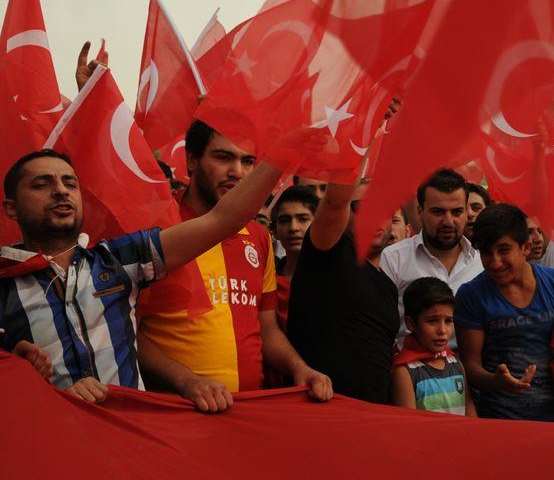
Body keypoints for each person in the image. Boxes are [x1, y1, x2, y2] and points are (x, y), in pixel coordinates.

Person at [0, 147, 285, 403]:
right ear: (11, 208)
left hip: (132, 444)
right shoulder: (4, 285)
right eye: (42, 184)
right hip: (53, 447)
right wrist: (18, 370)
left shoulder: (116, 260)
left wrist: (285, 149)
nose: (61, 191)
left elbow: (223, 221)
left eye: (70, 183)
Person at [138, 122, 332, 412]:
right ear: (191, 160)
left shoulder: (258, 237)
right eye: (223, 157)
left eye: (248, 161)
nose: (237, 172)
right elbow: (128, 330)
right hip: (177, 414)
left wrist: (299, 367)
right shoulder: (155, 228)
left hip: (248, 413)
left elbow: (266, 328)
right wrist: (187, 382)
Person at [455, 204, 554, 424]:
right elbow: (470, 366)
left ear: (526, 247)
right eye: (486, 253)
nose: (495, 262)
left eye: (503, 250)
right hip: (500, 422)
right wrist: (495, 381)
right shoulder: (471, 295)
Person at [288, 178, 399, 404]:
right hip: (322, 407)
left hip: (375, 415)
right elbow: (334, 201)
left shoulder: (388, 285)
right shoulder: (328, 252)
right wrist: (353, 152)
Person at [381, 168, 484, 346]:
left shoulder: (482, 264)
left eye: (457, 212)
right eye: (438, 212)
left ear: (467, 212)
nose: (448, 221)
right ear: (420, 212)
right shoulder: (392, 260)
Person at [391, 277, 476, 416]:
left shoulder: (456, 364)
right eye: (432, 321)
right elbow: (407, 425)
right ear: (411, 324)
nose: (442, 330)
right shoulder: (404, 371)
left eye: (448, 321)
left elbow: (470, 412)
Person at [270, 185, 319, 330]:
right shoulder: (266, 279)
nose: (293, 228)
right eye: (284, 220)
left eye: (302, 219)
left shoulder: (335, 276)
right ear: (274, 231)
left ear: (319, 225)